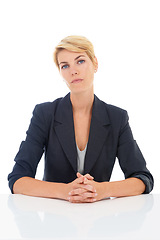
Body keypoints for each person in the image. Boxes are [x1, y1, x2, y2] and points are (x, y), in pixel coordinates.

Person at [8, 35, 154, 203]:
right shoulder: (45, 113)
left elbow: (143, 179)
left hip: (100, 219)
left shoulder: (117, 117)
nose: (73, 71)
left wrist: (101, 190)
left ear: (95, 64)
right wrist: (66, 191)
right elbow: (17, 180)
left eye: (80, 61)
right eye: (65, 66)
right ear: (61, 73)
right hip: (53, 219)